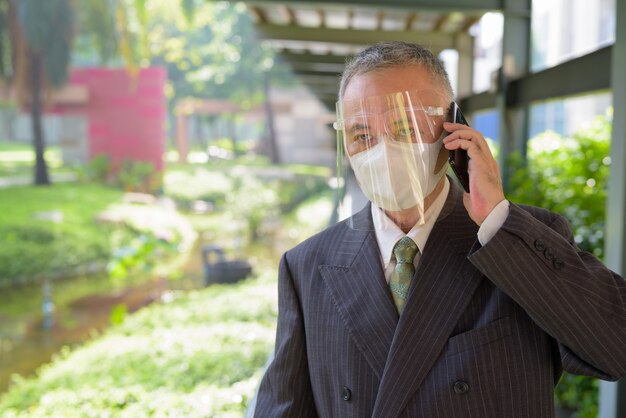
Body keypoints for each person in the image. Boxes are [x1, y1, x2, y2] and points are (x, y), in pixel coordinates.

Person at [253, 41, 626, 417]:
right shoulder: (306, 265)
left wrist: (497, 218)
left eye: (406, 127)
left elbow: (615, 347)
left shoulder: (518, 240)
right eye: (362, 135)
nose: (383, 149)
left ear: (454, 130)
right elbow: (282, 408)